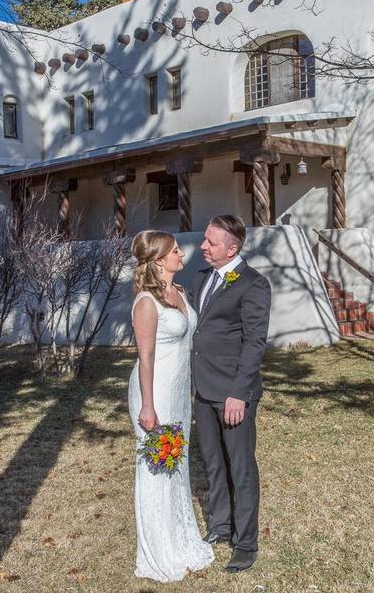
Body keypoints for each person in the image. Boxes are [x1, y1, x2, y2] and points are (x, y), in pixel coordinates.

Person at [128, 230, 214, 582]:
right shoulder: (147, 302)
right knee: (157, 466)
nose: (183, 253)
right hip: (155, 392)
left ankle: (180, 538)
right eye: (176, 250)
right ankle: (159, 550)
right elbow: (145, 357)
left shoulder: (178, 292)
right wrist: (148, 406)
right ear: (160, 260)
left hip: (179, 392)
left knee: (177, 464)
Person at [190, 215, 271, 574]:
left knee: (241, 468)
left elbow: (254, 343)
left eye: (210, 242)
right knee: (212, 463)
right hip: (203, 390)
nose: (203, 246)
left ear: (232, 248)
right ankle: (220, 525)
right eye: (205, 240)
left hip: (232, 394)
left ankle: (246, 542)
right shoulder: (202, 278)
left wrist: (239, 394)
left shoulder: (253, 284)